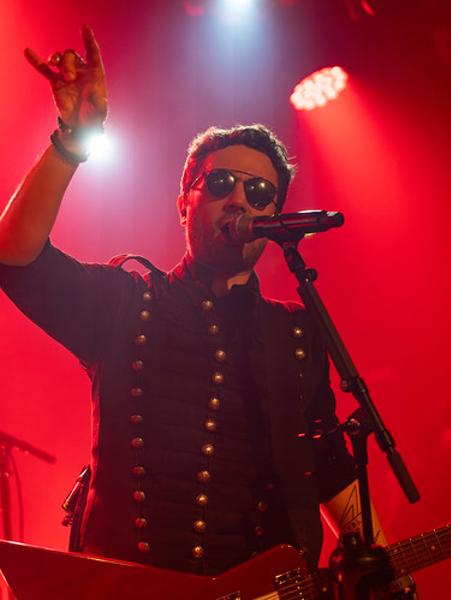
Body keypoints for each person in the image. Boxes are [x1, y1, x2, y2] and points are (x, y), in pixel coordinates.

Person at [1, 26, 412, 594]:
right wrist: (72, 142)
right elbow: (16, 258)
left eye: (260, 192)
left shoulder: (295, 332)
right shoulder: (124, 302)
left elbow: (327, 466)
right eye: (220, 183)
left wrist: (384, 564)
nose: (239, 199)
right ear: (184, 202)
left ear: (275, 216)